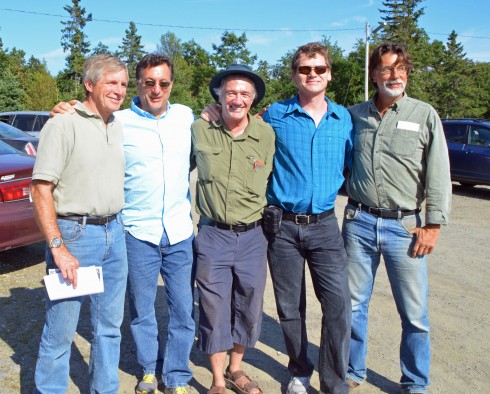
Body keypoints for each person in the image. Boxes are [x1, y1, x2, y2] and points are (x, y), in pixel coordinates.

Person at [202, 43, 353, 394]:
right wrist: (212, 110)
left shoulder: (345, 118)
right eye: (304, 69)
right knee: (289, 306)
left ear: (329, 73)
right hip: (282, 225)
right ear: (294, 74)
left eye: (318, 69)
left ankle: (334, 383)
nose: (312, 75)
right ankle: (299, 371)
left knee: (338, 306)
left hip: (326, 225)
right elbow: (237, 122)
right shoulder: (274, 117)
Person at [50, 53, 195, 394]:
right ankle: (147, 369)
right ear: (140, 85)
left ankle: (176, 375)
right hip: (136, 232)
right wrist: (65, 107)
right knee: (141, 310)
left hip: (179, 232)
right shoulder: (120, 120)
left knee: (183, 310)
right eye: (148, 82)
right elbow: (87, 113)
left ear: (171, 84)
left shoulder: (188, 117)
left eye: (163, 83)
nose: (156, 89)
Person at [344, 42, 452, 394]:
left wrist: (433, 224)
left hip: (405, 228)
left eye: (401, 68)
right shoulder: (353, 115)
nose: (395, 75)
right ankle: (352, 369)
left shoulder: (424, 114)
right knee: (354, 304)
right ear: (374, 74)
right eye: (387, 69)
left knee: (415, 314)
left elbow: (438, 172)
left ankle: (415, 382)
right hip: (358, 222)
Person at [31, 54, 129, 394]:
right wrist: (59, 249)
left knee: (110, 327)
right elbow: (41, 189)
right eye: (111, 82)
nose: (119, 90)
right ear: (89, 84)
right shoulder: (63, 123)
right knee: (60, 330)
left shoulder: (116, 124)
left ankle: (106, 388)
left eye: (123, 84)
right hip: (75, 234)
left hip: (114, 234)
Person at [192, 64, 275, 394]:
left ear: (253, 100)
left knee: (250, 303)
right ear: (219, 97)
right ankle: (216, 380)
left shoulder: (267, 134)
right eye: (230, 93)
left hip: (254, 236)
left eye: (244, 93)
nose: (236, 99)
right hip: (213, 234)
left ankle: (236, 368)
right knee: (213, 306)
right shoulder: (200, 129)